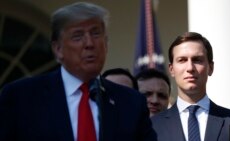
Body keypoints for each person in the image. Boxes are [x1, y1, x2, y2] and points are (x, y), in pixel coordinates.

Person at [0, 2, 157, 141]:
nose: (89, 43)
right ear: (58, 49)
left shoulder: (131, 103)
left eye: (96, 34)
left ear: (106, 44)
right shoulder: (20, 98)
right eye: (77, 36)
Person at [151, 32, 230, 141]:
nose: (190, 68)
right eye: (182, 60)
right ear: (172, 69)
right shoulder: (152, 126)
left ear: (211, 68)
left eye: (197, 60)